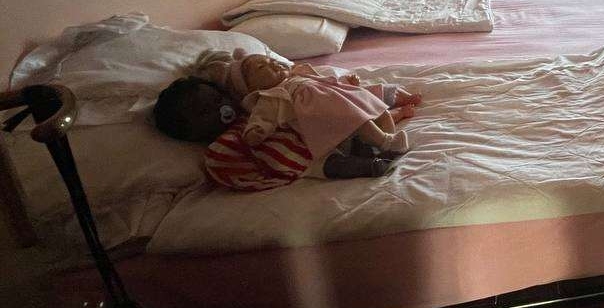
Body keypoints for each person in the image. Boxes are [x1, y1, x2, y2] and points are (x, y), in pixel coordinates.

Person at [153, 75, 397, 188]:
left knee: (349, 131)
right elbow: (238, 174)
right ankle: (370, 166)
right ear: (189, 132)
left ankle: (373, 148)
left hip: (314, 137)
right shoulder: (220, 149)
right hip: (299, 162)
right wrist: (272, 178)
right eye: (203, 111)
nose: (220, 108)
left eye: (219, 99)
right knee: (332, 165)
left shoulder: (251, 112)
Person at [194, 49, 421, 159]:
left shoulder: (297, 75)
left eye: (271, 60)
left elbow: (327, 82)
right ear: (251, 88)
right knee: (359, 119)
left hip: (343, 100)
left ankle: (392, 124)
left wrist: (346, 82)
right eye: (262, 67)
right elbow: (262, 117)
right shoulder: (270, 96)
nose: (273, 64)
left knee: (374, 105)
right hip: (332, 119)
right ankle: (385, 141)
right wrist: (256, 130)